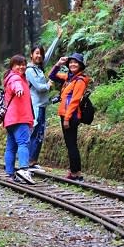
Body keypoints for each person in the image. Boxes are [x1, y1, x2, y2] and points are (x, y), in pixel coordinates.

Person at [25, 25, 63, 172]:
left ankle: (33, 161)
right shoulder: (30, 70)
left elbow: (49, 54)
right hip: (35, 106)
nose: (39, 56)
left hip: (42, 106)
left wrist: (58, 38)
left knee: (40, 134)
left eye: (40, 54)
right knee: (35, 133)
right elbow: (40, 87)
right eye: (36, 54)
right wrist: (48, 84)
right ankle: (29, 162)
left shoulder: (39, 67)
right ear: (31, 55)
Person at [48, 52, 90, 181]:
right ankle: (74, 171)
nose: (72, 64)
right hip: (65, 114)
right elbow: (52, 76)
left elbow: (75, 100)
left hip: (71, 116)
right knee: (70, 143)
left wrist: (67, 118)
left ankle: (76, 173)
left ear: (80, 65)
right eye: (71, 62)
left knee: (71, 144)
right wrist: (58, 64)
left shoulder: (80, 80)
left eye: (75, 62)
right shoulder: (69, 78)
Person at [2, 54, 36, 184]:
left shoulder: (12, 77)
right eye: (18, 64)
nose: (21, 67)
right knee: (23, 143)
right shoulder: (15, 78)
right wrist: (19, 90)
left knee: (11, 147)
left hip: (10, 119)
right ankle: (24, 170)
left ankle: (10, 173)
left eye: (23, 64)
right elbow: (17, 86)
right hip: (19, 118)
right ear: (12, 66)